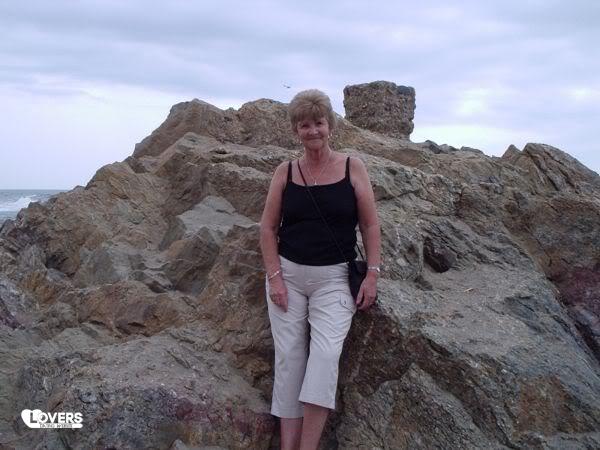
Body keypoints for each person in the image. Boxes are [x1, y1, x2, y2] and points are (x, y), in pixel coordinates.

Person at [259, 89, 381, 449]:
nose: (313, 131)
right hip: (288, 277)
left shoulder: (352, 167)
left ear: (330, 126)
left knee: (325, 358)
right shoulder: (285, 172)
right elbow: (267, 228)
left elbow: (370, 225)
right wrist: (275, 278)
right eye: (305, 125)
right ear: (296, 130)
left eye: (319, 123)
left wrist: (372, 274)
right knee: (290, 359)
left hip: (335, 280)